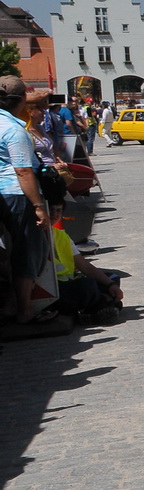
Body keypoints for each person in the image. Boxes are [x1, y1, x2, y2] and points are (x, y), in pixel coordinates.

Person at [0, 77, 52, 323]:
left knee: (5, 253)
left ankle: (9, 305)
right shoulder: (13, 130)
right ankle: (25, 311)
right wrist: (39, 206)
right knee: (26, 251)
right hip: (17, 194)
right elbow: (23, 171)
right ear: (22, 100)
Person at [42, 178, 121, 320]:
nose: (54, 214)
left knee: (112, 278)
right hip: (53, 289)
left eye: (58, 211)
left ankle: (99, 304)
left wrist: (109, 284)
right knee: (87, 287)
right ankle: (100, 305)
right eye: (50, 210)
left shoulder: (61, 236)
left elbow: (84, 265)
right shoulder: (33, 236)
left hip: (70, 282)